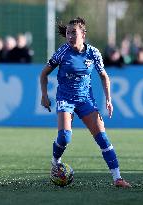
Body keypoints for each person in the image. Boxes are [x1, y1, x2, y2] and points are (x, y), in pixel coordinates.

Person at [40, 17, 131, 188]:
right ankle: (55, 162)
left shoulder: (94, 53)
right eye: (68, 33)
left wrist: (109, 100)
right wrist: (44, 95)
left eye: (74, 32)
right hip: (65, 98)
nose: (70, 36)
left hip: (85, 100)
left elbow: (104, 76)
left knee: (103, 139)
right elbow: (44, 74)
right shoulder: (62, 52)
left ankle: (117, 178)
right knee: (65, 137)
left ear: (83, 34)